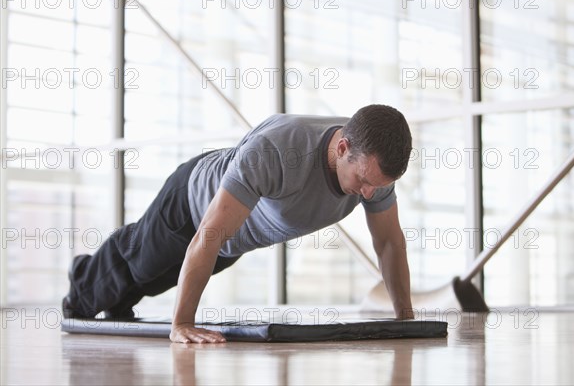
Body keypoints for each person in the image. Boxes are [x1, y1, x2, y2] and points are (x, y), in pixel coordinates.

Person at [63, 104, 414, 343]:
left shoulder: (374, 166)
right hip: (192, 205)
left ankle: (117, 300)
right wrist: (182, 325)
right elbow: (209, 233)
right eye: (364, 181)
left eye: (378, 186)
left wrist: (406, 319)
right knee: (138, 265)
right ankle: (82, 282)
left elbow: (389, 244)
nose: (370, 194)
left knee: (154, 282)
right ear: (342, 149)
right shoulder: (278, 149)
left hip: (235, 238)